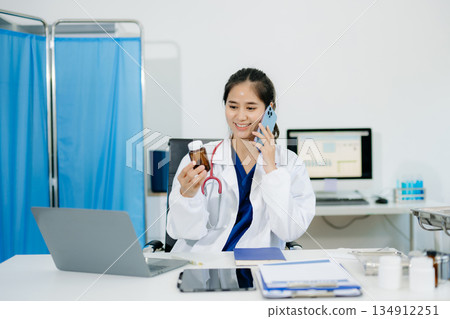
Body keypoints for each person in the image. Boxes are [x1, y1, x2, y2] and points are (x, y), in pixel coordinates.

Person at [167, 68, 315, 252]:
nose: (240, 116)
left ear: (270, 110)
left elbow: (290, 232)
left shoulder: (290, 164)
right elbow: (184, 232)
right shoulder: (200, 159)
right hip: (203, 264)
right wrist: (187, 196)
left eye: (251, 108)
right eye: (233, 106)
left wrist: (271, 168)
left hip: (257, 264)